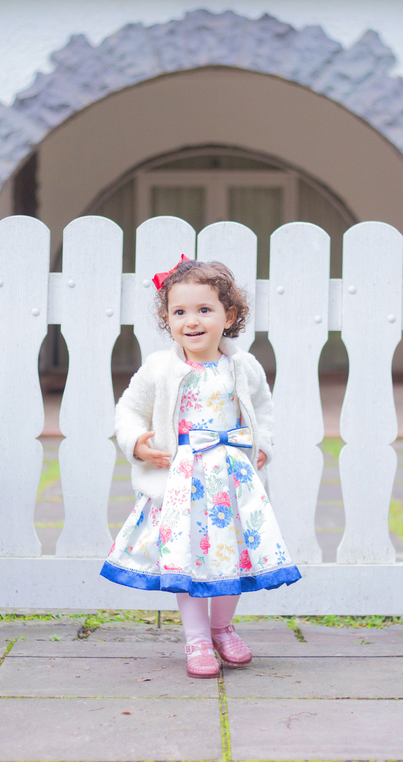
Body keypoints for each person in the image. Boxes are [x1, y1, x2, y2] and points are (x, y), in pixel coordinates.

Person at [101, 256, 301, 678]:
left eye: (204, 310)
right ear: (167, 320)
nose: (191, 321)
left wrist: (262, 443)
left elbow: (263, 410)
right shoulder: (160, 368)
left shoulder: (241, 367)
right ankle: (195, 641)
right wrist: (137, 443)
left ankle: (221, 628)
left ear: (228, 316)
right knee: (189, 560)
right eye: (179, 312)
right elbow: (128, 411)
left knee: (233, 555)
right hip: (183, 482)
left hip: (232, 481)